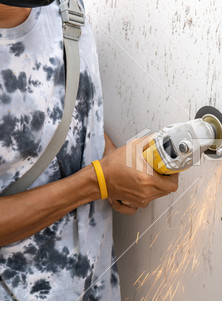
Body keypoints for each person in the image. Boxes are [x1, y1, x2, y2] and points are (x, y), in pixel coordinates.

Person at [0, 0, 178, 300]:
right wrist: (98, 182)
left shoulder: (68, 8)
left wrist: (113, 162)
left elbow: (70, 109)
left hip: (97, 290)